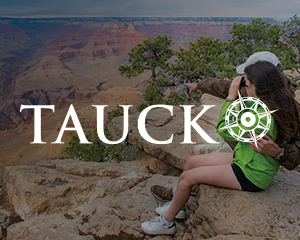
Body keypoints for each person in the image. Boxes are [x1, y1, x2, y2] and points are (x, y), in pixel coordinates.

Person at [141, 60, 300, 235]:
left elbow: (224, 129)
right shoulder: (272, 103)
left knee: (187, 177)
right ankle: (179, 205)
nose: (243, 88)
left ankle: (166, 223)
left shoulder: (262, 117)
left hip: (252, 173)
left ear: (259, 86)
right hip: (247, 159)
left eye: (246, 83)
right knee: (191, 162)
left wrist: (231, 97)